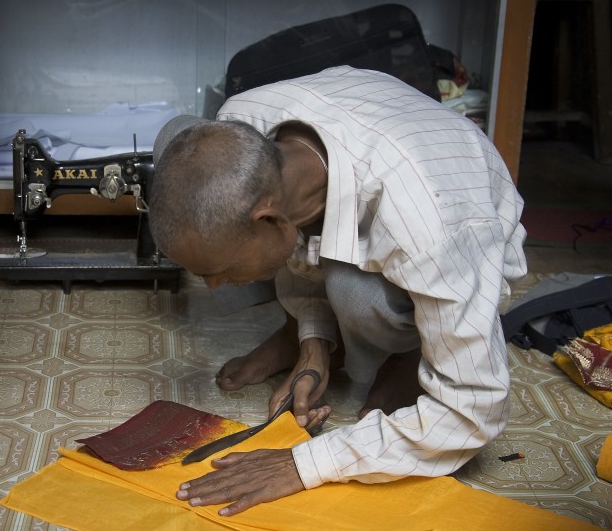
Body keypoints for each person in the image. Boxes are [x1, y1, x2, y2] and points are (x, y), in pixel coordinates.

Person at [147, 64, 527, 517]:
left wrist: (303, 463)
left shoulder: (429, 224)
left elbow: (474, 412)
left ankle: (412, 348)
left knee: (353, 292)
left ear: (270, 220)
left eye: (220, 272)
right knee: (179, 139)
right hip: (373, 153)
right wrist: (312, 345)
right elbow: (302, 239)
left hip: (461, 236)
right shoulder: (242, 122)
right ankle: (309, 337)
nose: (210, 288)